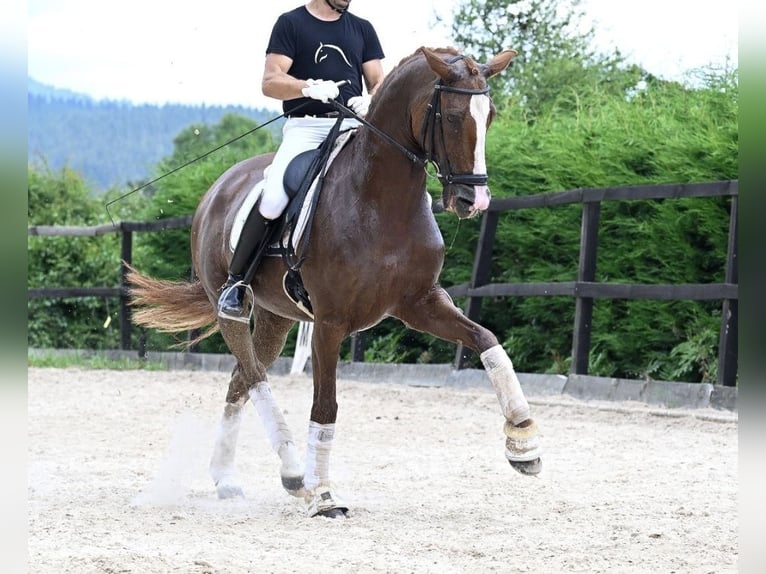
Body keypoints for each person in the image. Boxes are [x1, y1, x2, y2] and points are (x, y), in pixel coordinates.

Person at [217, 0, 386, 322]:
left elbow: (377, 80)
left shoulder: (362, 28)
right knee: (273, 198)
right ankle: (236, 283)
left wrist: (372, 99)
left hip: (353, 125)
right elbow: (270, 82)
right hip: (306, 128)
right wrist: (306, 87)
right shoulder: (291, 23)